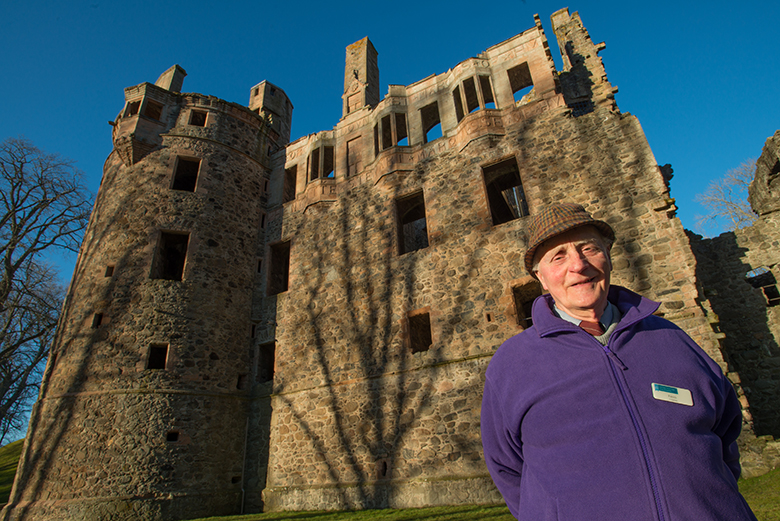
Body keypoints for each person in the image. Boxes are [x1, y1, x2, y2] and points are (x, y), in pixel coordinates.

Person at [481, 203, 757, 521]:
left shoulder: (671, 339)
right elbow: (507, 469)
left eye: (589, 249)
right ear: (540, 278)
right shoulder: (512, 365)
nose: (579, 265)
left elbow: (725, 434)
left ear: (608, 256)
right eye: (558, 256)